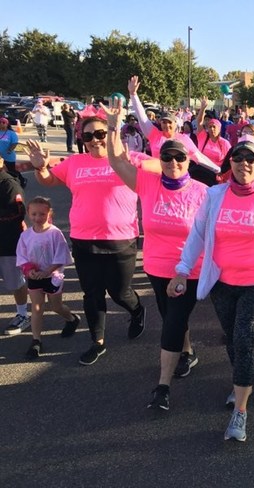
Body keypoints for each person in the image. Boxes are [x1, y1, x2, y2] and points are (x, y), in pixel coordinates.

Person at [167, 140, 254, 442]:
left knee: (243, 338)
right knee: (233, 341)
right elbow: (198, 234)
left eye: (250, 159)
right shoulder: (214, 196)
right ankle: (242, 381)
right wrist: (182, 270)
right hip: (222, 284)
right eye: (238, 159)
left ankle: (240, 411)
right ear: (231, 164)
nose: (244, 165)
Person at [104, 100, 208, 409]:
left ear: (189, 160)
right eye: (167, 156)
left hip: (189, 269)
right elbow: (117, 162)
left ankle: (162, 387)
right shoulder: (148, 184)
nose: (173, 162)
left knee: (173, 321)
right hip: (155, 265)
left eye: (179, 157)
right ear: (159, 158)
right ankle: (187, 352)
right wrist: (113, 127)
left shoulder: (202, 192)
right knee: (169, 315)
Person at [26, 115, 153, 366]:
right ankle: (98, 342)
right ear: (82, 139)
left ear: (110, 135)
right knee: (92, 293)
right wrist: (41, 168)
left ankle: (137, 310)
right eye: (88, 136)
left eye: (100, 134)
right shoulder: (75, 162)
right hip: (84, 239)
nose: (95, 140)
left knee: (119, 292)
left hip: (121, 239)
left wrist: (135, 160)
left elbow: (162, 167)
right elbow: (49, 180)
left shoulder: (129, 158)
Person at [16, 196, 80, 358]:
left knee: (56, 306)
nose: (38, 218)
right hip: (34, 277)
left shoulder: (55, 233)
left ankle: (72, 318)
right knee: (37, 308)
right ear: (28, 214)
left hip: (52, 276)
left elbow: (61, 256)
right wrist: (29, 271)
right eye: (34, 214)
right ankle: (36, 341)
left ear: (49, 214)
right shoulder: (26, 236)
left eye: (42, 214)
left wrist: (47, 271)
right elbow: (22, 256)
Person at [127, 76, 219, 174]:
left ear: (176, 124)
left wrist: (218, 170)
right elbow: (142, 117)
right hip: (157, 177)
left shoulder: (184, 139)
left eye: (170, 122)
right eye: (164, 122)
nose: (167, 125)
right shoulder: (154, 134)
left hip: (176, 178)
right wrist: (133, 94)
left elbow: (199, 157)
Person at [0, 154, 30, 335]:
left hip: (9, 243)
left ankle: (23, 314)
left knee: (15, 282)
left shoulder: (8, 184)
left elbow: (18, 213)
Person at [195, 97, 231, 172]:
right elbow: (199, 122)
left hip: (216, 174)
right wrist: (203, 108)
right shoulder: (204, 137)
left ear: (219, 129)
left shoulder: (225, 143)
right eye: (210, 127)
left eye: (214, 127)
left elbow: (229, 161)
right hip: (201, 171)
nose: (212, 129)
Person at [0, 117, 25, 188]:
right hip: (0, 156)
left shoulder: (11, 133)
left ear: (7, 124)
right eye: (0, 122)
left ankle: (21, 180)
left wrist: (10, 150)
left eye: (3, 122)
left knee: (11, 171)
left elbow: (14, 143)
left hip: (8, 155)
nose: (1, 124)